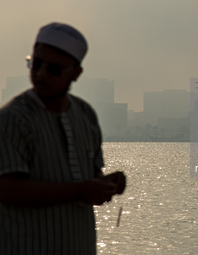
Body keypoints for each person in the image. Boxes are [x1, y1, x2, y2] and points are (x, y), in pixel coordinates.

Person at [0, 22, 126, 255]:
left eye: (54, 70)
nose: (41, 75)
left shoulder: (85, 115)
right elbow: (7, 189)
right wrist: (79, 191)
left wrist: (107, 184)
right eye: (36, 64)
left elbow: (90, 177)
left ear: (76, 74)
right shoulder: (12, 119)